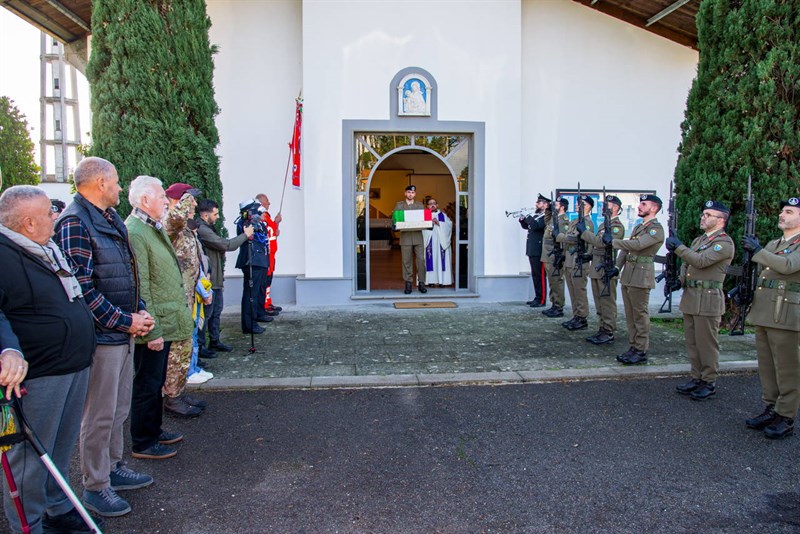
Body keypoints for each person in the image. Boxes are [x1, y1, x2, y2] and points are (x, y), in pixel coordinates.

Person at [55, 157, 157, 518]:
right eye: (115, 183)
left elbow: (126, 275)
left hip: (121, 330)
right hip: (102, 336)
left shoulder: (109, 218)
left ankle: (114, 467)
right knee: (98, 415)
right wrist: (124, 320)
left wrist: (139, 310)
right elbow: (81, 289)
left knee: (117, 409)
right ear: (99, 183)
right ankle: (96, 485)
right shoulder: (75, 223)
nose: (119, 188)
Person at [0, 185, 100, 534]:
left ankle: (58, 508)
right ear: (28, 223)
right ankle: (29, 524)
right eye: (47, 214)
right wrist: (7, 348)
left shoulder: (46, 248)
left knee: (59, 446)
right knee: (29, 456)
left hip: (71, 364)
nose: (55, 218)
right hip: (38, 374)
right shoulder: (4, 254)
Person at [125, 176, 195, 460]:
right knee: (147, 383)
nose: (166, 202)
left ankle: (153, 430)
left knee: (155, 382)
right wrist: (150, 331)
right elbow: (141, 283)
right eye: (160, 198)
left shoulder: (149, 227)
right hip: (153, 323)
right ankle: (143, 441)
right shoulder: (136, 231)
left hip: (163, 319)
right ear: (144, 201)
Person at [742, 196, 800, 439]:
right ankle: (771, 407)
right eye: (782, 211)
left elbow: (787, 266)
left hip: (786, 313)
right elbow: (767, 274)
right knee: (767, 365)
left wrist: (758, 250)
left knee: (787, 367)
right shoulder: (776, 242)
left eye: (789, 211)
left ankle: (785, 416)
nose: (782, 215)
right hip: (765, 311)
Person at [666, 200, 734, 400]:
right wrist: (679, 280)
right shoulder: (700, 240)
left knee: (707, 344)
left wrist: (678, 247)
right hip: (692, 297)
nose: (703, 217)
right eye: (703, 214)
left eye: (708, 215)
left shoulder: (724, 243)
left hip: (708, 299)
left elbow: (701, 261)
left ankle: (709, 381)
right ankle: (696, 377)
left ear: (721, 220)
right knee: (693, 342)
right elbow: (687, 264)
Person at [163, 183, 212, 409]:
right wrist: (183, 203)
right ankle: (172, 397)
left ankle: (179, 391)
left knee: (185, 346)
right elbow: (173, 221)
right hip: (177, 297)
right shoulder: (171, 223)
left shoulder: (185, 227)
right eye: (188, 201)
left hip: (190, 296)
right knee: (177, 349)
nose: (193, 205)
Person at [609, 193, 665, 365]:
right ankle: (633, 346)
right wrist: (617, 267)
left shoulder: (656, 229)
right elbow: (626, 251)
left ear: (654, 208)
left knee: (640, 315)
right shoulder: (639, 227)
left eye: (644, 204)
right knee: (630, 314)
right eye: (640, 203)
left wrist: (613, 242)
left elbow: (638, 245)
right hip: (629, 275)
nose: (639, 206)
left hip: (641, 276)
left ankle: (641, 350)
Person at [196, 199, 254, 352]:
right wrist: (245, 235)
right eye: (215, 214)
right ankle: (201, 346)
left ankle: (214, 340)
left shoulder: (208, 227)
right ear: (205, 214)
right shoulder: (202, 229)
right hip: (209, 279)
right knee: (207, 315)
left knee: (216, 312)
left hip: (216, 278)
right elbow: (226, 245)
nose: (218, 217)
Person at [581, 194, 625, 344]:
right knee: (599, 302)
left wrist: (584, 233)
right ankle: (602, 328)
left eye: (608, 205)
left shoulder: (617, 226)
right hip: (597, 268)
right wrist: (589, 255)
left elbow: (603, 243)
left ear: (616, 208)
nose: (604, 207)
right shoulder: (602, 225)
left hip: (606, 269)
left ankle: (608, 330)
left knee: (607, 302)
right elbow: (596, 246)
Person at [558, 195, 595, 330]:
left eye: (582, 204)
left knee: (579, 291)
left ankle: (582, 317)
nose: (578, 206)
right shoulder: (574, 221)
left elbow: (576, 239)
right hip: (569, 259)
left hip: (579, 261)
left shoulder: (587, 223)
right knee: (572, 290)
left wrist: (561, 237)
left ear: (588, 207)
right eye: (578, 204)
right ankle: (576, 315)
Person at [236, 199, 271, 334]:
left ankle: (256, 316)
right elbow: (245, 233)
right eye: (255, 209)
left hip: (260, 261)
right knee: (251, 294)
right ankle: (249, 324)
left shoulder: (256, 222)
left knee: (256, 293)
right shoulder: (244, 223)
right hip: (252, 262)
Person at [393, 185, 427, 294]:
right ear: (405, 193)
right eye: (408, 192)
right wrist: (394, 225)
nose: (410, 194)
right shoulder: (399, 205)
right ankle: (408, 283)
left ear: (415, 194)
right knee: (406, 261)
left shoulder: (420, 205)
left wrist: (428, 223)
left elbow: (424, 218)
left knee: (421, 260)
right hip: (406, 237)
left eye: (412, 193)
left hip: (418, 236)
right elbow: (394, 218)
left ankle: (421, 282)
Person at [542, 196, 570, 318]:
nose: (555, 206)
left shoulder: (563, 221)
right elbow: (546, 219)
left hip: (555, 255)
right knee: (552, 282)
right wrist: (548, 208)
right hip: (548, 255)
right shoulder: (554, 219)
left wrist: (562, 256)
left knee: (557, 281)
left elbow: (563, 241)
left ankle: (558, 306)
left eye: (557, 204)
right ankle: (554, 304)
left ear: (562, 207)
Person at [519, 194, 549, 307]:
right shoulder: (537, 215)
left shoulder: (546, 216)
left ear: (546, 205)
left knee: (540, 275)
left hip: (539, 250)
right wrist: (522, 219)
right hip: (532, 248)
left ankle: (542, 299)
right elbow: (528, 226)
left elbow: (536, 226)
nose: (536, 204)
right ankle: (537, 297)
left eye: (539, 202)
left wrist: (528, 216)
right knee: (535, 275)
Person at [256, 193, 283, 316]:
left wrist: (276, 224)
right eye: (267, 202)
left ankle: (267, 302)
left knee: (268, 279)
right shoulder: (262, 217)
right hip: (266, 254)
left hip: (271, 253)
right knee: (265, 280)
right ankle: (264, 305)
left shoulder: (266, 216)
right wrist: (276, 223)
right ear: (261, 203)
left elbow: (272, 232)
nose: (269, 204)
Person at [422, 197, 453, 286]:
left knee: (440, 260)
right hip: (429, 241)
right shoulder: (425, 215)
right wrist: (430, 223)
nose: (432, 205)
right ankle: (430, 281)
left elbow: (449, 225)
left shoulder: (443, 215)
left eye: (434, 203)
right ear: (427, 206)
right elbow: (421, 228)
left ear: (437, 205)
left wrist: (439, 223)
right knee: (431, 260)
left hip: (441, 242)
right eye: (430, 203)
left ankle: (442, 281)